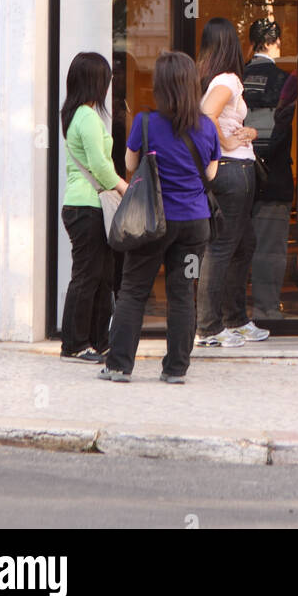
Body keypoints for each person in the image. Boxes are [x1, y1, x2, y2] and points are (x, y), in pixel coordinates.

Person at [99, 50, 218, 384]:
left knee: (134, 289)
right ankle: (176, 369)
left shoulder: (145, 122)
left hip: (152, 221)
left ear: (161, 87)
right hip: (195, 224)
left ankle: (119, 365)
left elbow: (131, 165)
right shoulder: (206, 126)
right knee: (183, 293)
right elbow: (210, 174)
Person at [195, 17, 269, 346]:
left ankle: (234, 319)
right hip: (232, 170)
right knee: (223, 248)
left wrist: (247, 133)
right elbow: (207, 114)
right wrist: (225, 143)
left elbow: (220, 117)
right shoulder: (228, 80)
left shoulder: (211, 78)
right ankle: (210, 327)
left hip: (235, 168)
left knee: (242, 245)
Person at [60, 52, 128, 363]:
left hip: (89, 206)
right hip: (85, 206)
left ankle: (99, 342)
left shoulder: (79, 114)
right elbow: (100, 165)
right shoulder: (86, 117)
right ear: (95, 83)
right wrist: (124, 188)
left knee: (101, 276)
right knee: (87, 276)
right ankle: (74, 344)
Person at [244, 19, 296, 319]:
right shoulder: (286, 80)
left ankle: (233, 310)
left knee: (233, 246)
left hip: (236, 173)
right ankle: (266, 309)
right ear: (276, 44)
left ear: (251, 43)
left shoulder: (236, 77)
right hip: (274, 176)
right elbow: (282, 129)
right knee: (271, 249)